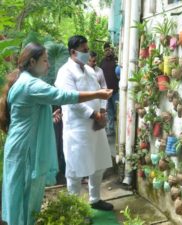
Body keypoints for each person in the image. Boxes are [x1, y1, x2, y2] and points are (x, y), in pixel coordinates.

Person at [0, 42, 113, 225]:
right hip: (25, 148)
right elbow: (63, 95)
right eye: (45, 60)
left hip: (21, 144)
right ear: (32, 62)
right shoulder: (31, 84)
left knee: (23, 191)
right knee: (25, 193)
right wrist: (97, 94)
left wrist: (46, 114)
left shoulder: (24, 80)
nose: (49, 64)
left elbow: (27, 111)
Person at [55, 35, 114, 211]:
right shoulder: (65, 72)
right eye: (84, 50)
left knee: (99, 164)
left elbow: (100, 92)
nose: (87, 53)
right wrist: (93, 114)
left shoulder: (89, 70)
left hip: (97, 125)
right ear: (73, 52)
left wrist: (102, 111)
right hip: (78, 129)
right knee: (75, 170)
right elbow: (71, 101)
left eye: (88, 49)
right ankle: (74, 208)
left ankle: (95, 199)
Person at [100, 42, 119, 136]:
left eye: (109, 49)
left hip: (116, 91)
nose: (107, 51)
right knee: (110, 112)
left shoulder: (116, 61)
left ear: (112, 50)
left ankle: (120, 131)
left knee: (118, 111)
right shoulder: (102, 62)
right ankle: (111, 130)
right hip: (106, 92)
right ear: (104, 51)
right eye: (106, 50)